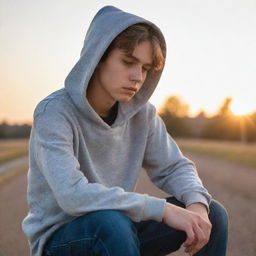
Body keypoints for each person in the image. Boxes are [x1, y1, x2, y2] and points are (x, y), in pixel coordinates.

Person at [22, 5, 228, 256]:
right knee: (111, 223)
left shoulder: (143, 114)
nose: (137, 77)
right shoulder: (53, 112)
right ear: (98, 58)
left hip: (117, 227)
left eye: (144, 68)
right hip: (62, 239)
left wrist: (197, 206)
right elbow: (73, 195)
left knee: (212, 214)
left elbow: (175, 166)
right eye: (129, 62)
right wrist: (163, 210)